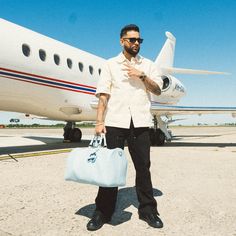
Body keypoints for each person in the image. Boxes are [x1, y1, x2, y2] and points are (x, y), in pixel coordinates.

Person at [86, 24, 164, 231]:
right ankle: (102, 211)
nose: (136, 43)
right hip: (115, 123)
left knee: (143, 168)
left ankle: (148, 210)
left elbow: (157, 90)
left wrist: (142, 76)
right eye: (132, 40)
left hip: (140, 123)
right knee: (110, 169)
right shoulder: (110, 64)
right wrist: (99, 122)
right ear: (122, 41)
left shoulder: (148, 65)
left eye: (139, 40)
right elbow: (104, 94)